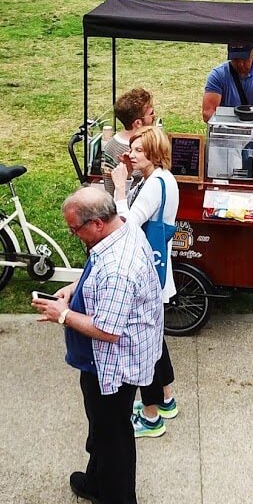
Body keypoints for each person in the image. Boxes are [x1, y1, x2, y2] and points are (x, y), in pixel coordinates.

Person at [33, 187, 163, 504]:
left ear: (98, 223)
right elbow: (96, 272)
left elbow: (107, 330)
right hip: (99, 363)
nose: (73, 235)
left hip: (115, 366)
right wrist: (75, 288)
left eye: (76, 229)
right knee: (100, 426)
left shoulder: (119, 269)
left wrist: (62, 316)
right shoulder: (122, 228)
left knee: (113, 434)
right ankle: (97, 482)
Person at [110, 125, 179, 439]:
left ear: (153, 152)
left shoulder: (153, 185)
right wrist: (130, 170)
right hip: (159, 269)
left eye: (139, 150)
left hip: (148, 275)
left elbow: (126, 225)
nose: (132, 154)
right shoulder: (162, 178)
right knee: (156, 340)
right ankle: (166, 399)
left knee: (144, 347)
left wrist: (120, 188)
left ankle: (151, 418)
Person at [102, 88, 156, 195]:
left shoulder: (109, 145)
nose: (154, 116)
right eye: (151, 113)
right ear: (138, 123)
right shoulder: (143, 149)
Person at [202, 44, 253, 122]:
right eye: (235, 59)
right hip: (224, 129)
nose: (240, 64)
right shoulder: (218, 75)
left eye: (244, 59)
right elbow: (208, 113)